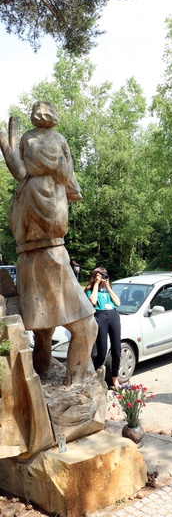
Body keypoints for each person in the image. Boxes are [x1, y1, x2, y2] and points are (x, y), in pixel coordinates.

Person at [0, 101, 97, 385]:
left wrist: (8, 143)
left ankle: (44, 374)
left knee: (43, 329)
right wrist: (9, 143)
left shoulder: (23, 187)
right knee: (86, 327)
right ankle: (76, 385)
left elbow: (18, 169)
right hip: (51, 254)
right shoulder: (47, 176)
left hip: (26, 258)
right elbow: (67, 178)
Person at [85, 267, 121, 389]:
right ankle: (94, 377)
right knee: (102, 351)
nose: (103, 278)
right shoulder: (90, 289)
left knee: (117, 350)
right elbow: (93, 301)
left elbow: (118, 303)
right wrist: (96, 284)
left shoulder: (107, 290)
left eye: (105, 275)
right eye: (100, 276)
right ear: (95, 276)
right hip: (100, 316)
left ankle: (115, 378)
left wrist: (108, 287)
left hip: (113, 315)